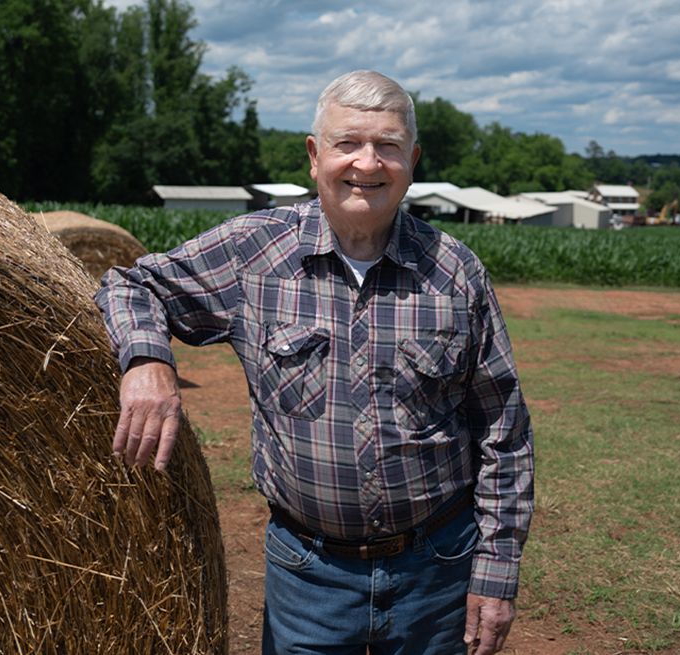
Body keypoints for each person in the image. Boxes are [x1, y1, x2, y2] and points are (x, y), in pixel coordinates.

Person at [94, 70, 534, 655]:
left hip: (438, 572)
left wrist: (496, 575)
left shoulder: (455, 273)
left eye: (388, 146)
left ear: (413, 159)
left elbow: (505, 432)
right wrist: (148, 361)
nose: (367, 163)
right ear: (314, 154)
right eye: (348, 143)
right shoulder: (255, 252)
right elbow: (130, 284)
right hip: (309, 577)